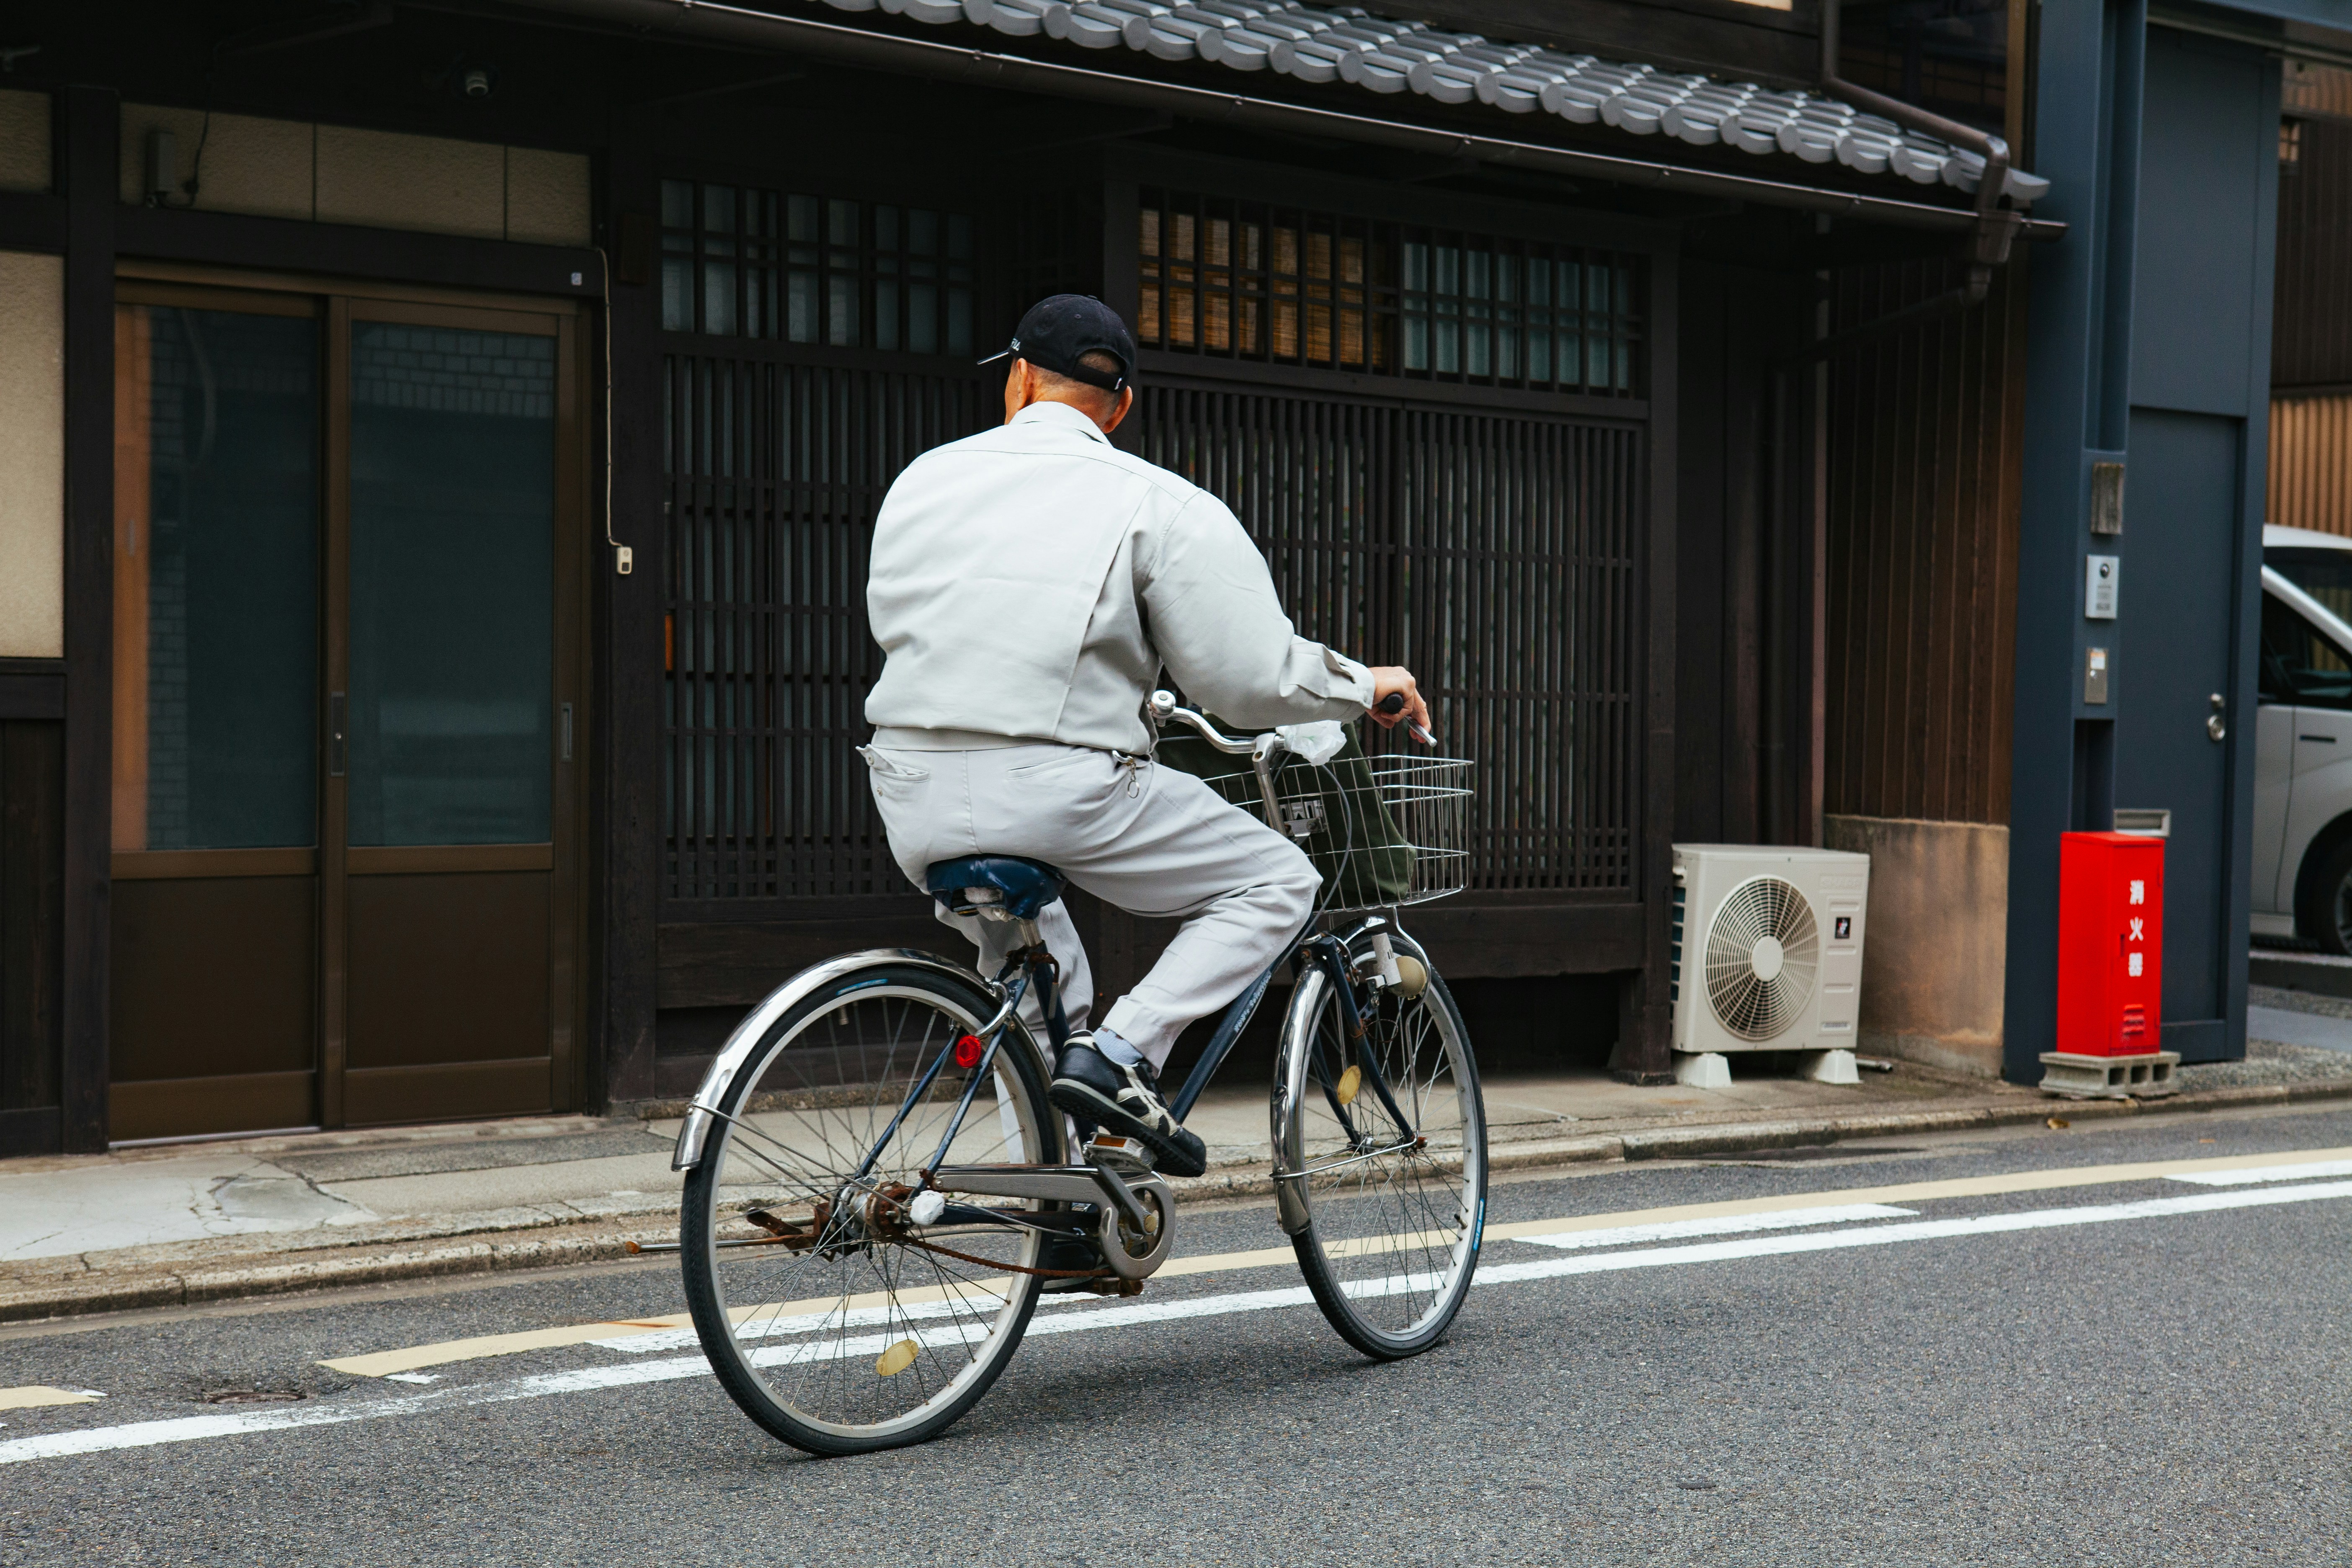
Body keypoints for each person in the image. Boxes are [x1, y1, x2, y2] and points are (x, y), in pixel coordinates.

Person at [860, 294, 1433, 1178]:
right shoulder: (1156, 501)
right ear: (1121, 405)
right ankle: (1123, 1055)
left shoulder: (920, 481)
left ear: (1016, 379)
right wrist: (1362, 686)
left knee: (1048, 985)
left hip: (909, 790)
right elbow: (1245, 683)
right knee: (1279, 879)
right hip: (1055, 791)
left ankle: (1060, 1203)